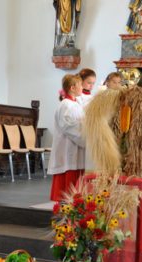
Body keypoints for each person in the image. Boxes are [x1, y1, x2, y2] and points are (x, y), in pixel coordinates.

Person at [48, 74, 86, 202]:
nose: (82, 87)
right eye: (80, 85)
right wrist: (87, 140)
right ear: (72, 87)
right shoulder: (66, 105)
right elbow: (69, 127)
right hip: (69, 148)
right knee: (69, 180)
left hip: (75, 147)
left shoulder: (76, 103)